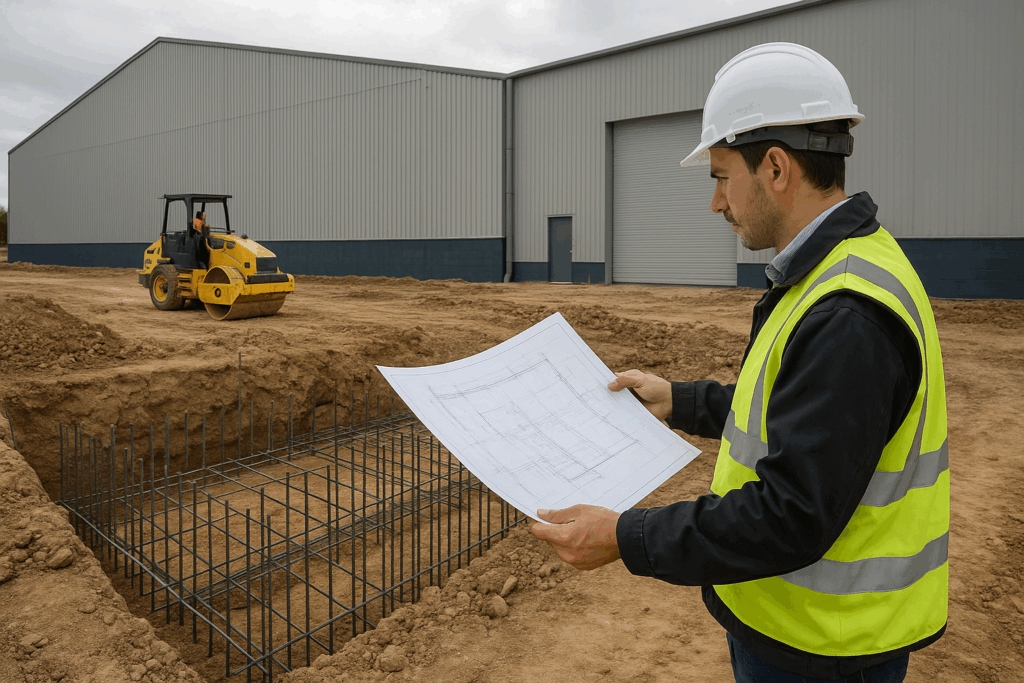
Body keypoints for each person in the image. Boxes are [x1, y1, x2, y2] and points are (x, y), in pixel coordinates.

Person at [531, 42, 948, 683]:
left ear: (776, 167)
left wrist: (626, 537)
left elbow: (791, 513)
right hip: (801, 629)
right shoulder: (844, 269)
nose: (717, 203)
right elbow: (796, 411)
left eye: (722, 177)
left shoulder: (845, 312)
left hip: (821, 648)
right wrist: (683, 400)